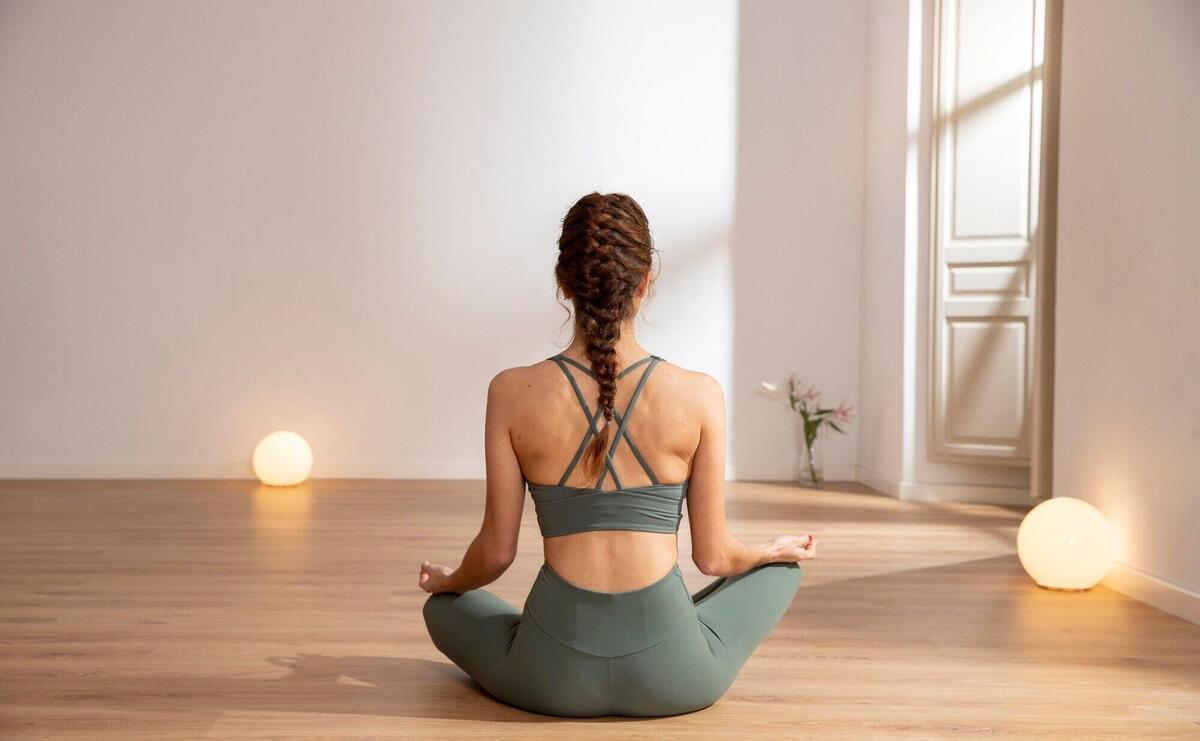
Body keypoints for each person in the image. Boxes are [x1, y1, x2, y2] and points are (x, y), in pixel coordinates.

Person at [419, 192, 818, 718]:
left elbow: (495, 554)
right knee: (782, 571)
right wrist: (768, 551)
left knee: (443, 608)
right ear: (646, 280)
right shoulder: (698, 394)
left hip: (548, 679)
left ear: (564, 283)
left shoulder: (511, 392)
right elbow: (715, 558)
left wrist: (448, 581)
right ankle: (678, 625)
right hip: (678, 678)